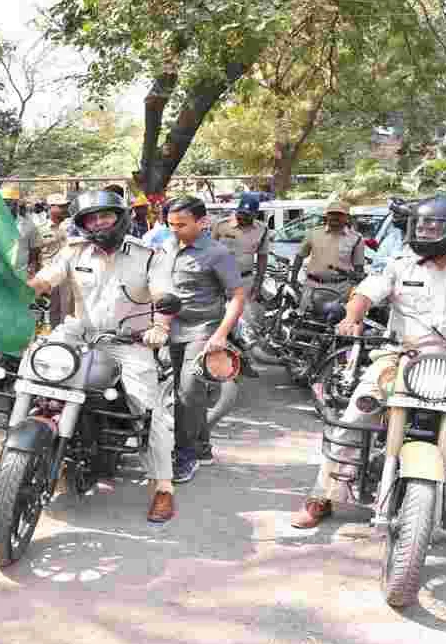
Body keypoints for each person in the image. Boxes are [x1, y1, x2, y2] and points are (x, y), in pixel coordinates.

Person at [293, 195, 446, 560]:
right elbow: (365, 292)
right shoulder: (400, 261)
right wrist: (353, 317)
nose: (424, 232)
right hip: (399, 357)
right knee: (352, 420)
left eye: (433, 228)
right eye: (421, 226)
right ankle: (322, 497)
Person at [26, 190, 178, 521]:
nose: (99, 223)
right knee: (34, 374)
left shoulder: (149, 256)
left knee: (147, 411)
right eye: (91, 219)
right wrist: (20, 289)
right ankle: (33, 452)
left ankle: (163, 487)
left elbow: (163, 293)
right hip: (79, 337)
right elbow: (44, 281)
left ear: (120, 217)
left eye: (105, 216)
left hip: (129, 343)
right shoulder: (73, 253)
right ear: (82, 224)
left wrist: (161, 327)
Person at [153, 196, 246, 479]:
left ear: (202, 222)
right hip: (169, 328)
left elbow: (238, 295)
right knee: (190, 394)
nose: (174, 230)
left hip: (202, 330)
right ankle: (202, 447)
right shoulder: (165, 247)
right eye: (170, 224)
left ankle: (185, 457)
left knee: (187, 392)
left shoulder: (217, 253)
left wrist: (220, 334)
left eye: (181, 225)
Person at [210, 193, 270, 343]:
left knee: (245, 323)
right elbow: (209, 252)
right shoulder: (221, 225)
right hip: (219, 281)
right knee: (216, 320)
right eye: (240, 213)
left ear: (255, 214)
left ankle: (245, 357)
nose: (242, 217)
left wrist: (258, 284)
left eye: (247, 215)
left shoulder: (262, 229)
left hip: (245, 282)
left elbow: (262, 257)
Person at [289, 200, 364, 309]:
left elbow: (359, 268)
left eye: (339, 214)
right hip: (312, 286)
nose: (335, 217)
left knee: (335, 323)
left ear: (347, 217)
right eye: (332, 214)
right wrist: (293, 279)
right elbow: (300, 256)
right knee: (305, 322)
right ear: (326, 215)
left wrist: (356, 284)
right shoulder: (313, 234)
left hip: (341, 289)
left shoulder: (356, 238)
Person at [36, 193, 74, 327]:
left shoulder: (72, 226)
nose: (65, 209)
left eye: (66, 206)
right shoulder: (40, 229)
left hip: (68, 274)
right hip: (48, 276)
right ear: (51, 208)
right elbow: (34, 254)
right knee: (50, 311)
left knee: (68, 310)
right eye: (61, 206)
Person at [1, 182, 39, 276]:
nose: (7, 207)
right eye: (4, 203)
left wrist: (32, 268)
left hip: (20, 274)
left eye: (10, 203)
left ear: (17, 204)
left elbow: (34, 249)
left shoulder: (29, 225)